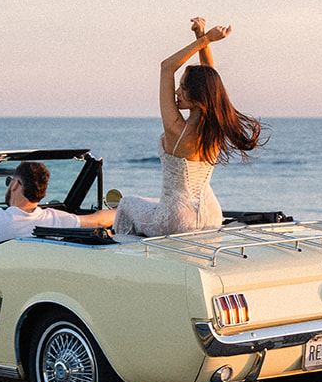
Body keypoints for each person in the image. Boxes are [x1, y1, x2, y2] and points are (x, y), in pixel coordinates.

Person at [113, 17, 265, 239]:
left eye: (182, 88)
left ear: (198, 96)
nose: (176, 92)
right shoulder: (216, 128)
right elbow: (209, 80)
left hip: (176, 218)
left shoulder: (176, 128)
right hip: (211, 215)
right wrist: (202, 39)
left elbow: (167, 67)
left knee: (126, 204)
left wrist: (206, 39)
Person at [0, 160, 115, 243]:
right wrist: (121, 210)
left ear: (15, 184)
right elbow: (99, 220)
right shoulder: (56, 219)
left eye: (10, 180)